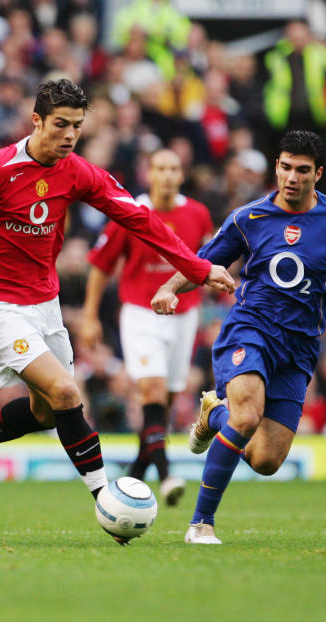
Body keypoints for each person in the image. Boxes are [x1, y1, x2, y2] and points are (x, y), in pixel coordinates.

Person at [0, 79, 234, 539]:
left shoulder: (78, 171)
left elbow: (140, 218)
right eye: (60, 124)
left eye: (78, 127)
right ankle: (109, 501)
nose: (69, 135)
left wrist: (197, 267)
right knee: (67, 393)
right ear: (36, 121)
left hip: (44, 306)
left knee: (47, 412)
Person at [152, 130, 326, 544]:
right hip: (250, 330)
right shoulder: (247, 217)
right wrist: (168, 288)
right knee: (248, 415)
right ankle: (200, 524)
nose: (292, 177)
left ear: (318, 174)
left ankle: (212, 415)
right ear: (277, 167)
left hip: (300, 348)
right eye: (286, 167)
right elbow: (201, 262)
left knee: (266, 459)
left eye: (302, 170)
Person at [80, 148, 214, 507]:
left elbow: (206, 261)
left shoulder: (198, 214)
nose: (167, 175)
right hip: (140, 313)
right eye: (160, 168)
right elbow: (101, 265)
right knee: (152, 391)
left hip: (185, 315)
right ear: (149, 173)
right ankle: (167, 475)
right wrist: (90, 315)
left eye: (174, 168)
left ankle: (134, 478)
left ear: (181, 175)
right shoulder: (130, 212)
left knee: (165, 403)